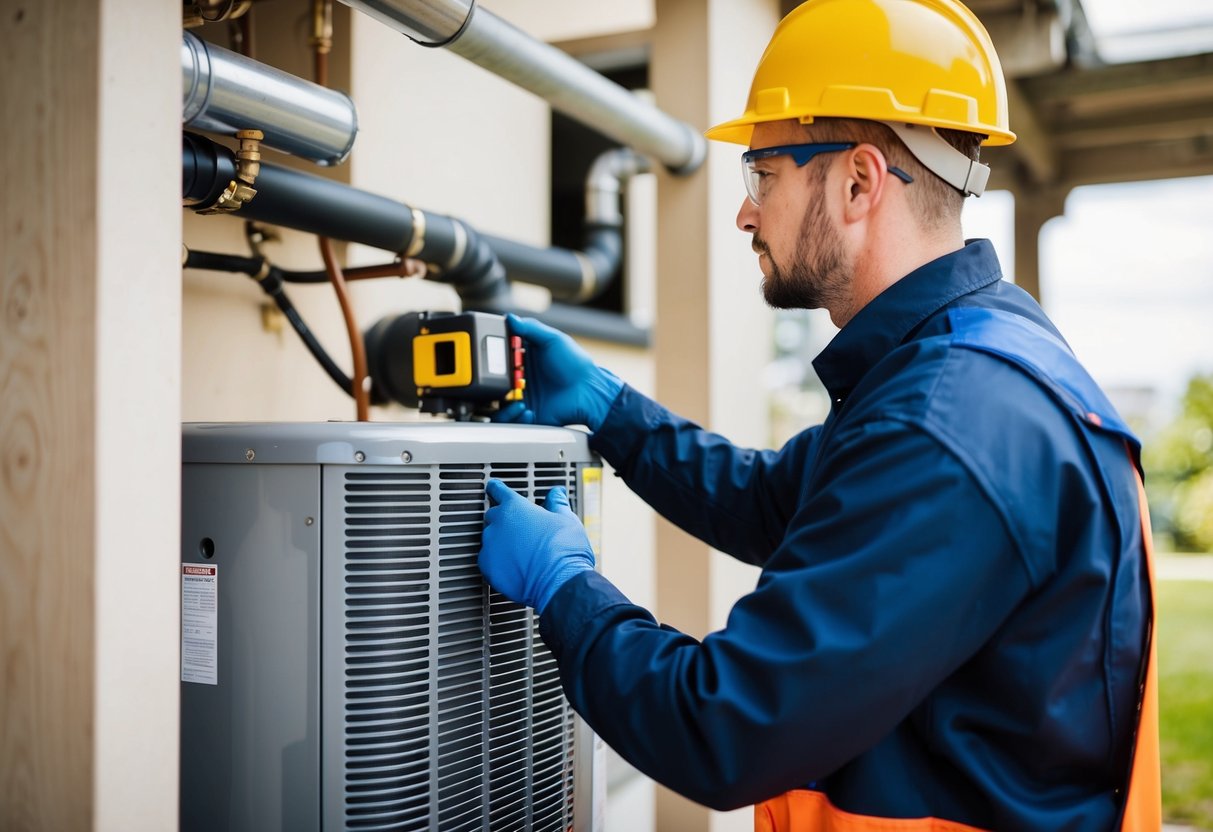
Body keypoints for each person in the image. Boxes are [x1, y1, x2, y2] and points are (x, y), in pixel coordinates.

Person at [477, 0, 1161, 829]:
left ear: (858, 182)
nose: (744, 211)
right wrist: (607, 406)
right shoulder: (960, 360)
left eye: (762, 174)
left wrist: (563, 587)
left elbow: (723, 726)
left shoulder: (944, 422)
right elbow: (774, 502)